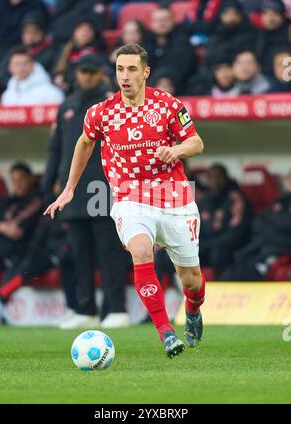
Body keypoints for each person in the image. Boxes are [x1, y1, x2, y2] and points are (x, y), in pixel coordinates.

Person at [44, 43, 205, 358]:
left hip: (174, 197)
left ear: (145, 72)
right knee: (141, 250)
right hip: (130, 197)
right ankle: (166, 333)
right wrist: (69, 188)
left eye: (132, 69)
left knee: (192, 280)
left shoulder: (168, 105)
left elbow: (196, 141)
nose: (125, 76)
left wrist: (177, 150)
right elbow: (84, 142)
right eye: (120, 69)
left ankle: (194, 309)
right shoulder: (102, 112)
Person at [42, 54, 130, 329]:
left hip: (103, 185)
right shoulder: (66, 105)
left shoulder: (112, 103)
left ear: (101, 74)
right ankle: (86, 309)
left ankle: (117, 310)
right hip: (74, 189)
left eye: (92, 72)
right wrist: (50, 182)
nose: (87, 77)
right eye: (83, 72)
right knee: (79, 252)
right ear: (76, 74)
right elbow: (56, 148)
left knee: (108, 250)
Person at [223, 171, 291, 281]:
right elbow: (259, 221)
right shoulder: (281, 201)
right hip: (263, 246)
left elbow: (286, 224)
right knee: (234, 269)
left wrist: (274, 222)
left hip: (281, 249)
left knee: (254, 270)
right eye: (289, 179)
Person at [0, 163, 43, 289]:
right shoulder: (6, 202)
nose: (18, 184)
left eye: (21, 179)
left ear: (30, 178)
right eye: (14, 180)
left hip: (14, 252)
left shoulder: (40, 201)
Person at [198, 164, 252, 279]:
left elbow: (237, 234)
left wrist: (208, 244)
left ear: (226, 178)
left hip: (229, 248)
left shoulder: (236, 200)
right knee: (173, 254)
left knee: (218, 252)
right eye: (211, 177)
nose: (215, 181)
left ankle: (219, 291)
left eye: (218, 177)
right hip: (207, 246)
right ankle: (174, 289)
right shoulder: (204, 201)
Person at [144, 5, 197, 95]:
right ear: (151, 23)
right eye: (158, 20)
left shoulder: (183, 41)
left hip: (180, 89)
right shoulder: (145, 43)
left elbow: (186, 68)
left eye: (165, 20)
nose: (162, 24)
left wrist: (165, 81)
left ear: (173, 21)